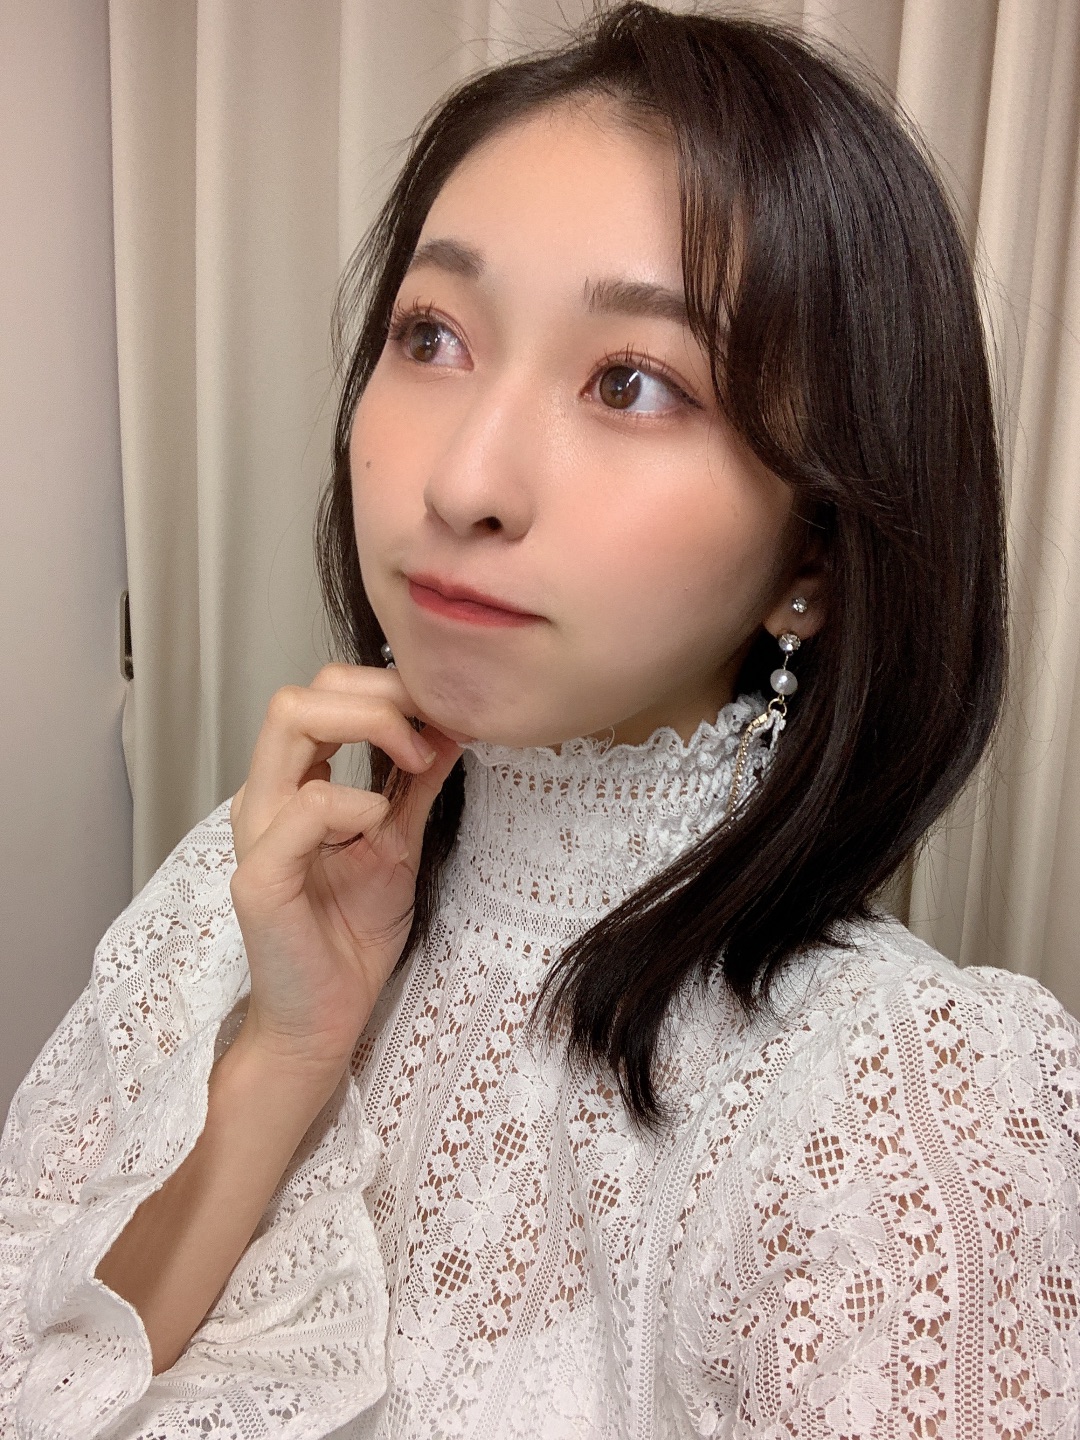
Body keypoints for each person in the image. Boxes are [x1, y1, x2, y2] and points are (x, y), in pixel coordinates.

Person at [3, 3, 1078, 1435]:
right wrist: (285, 1056)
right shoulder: (259, 885)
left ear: (814, 556)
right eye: (432, 335)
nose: (463, 484)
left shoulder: (904, 1104)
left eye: (632, 383)